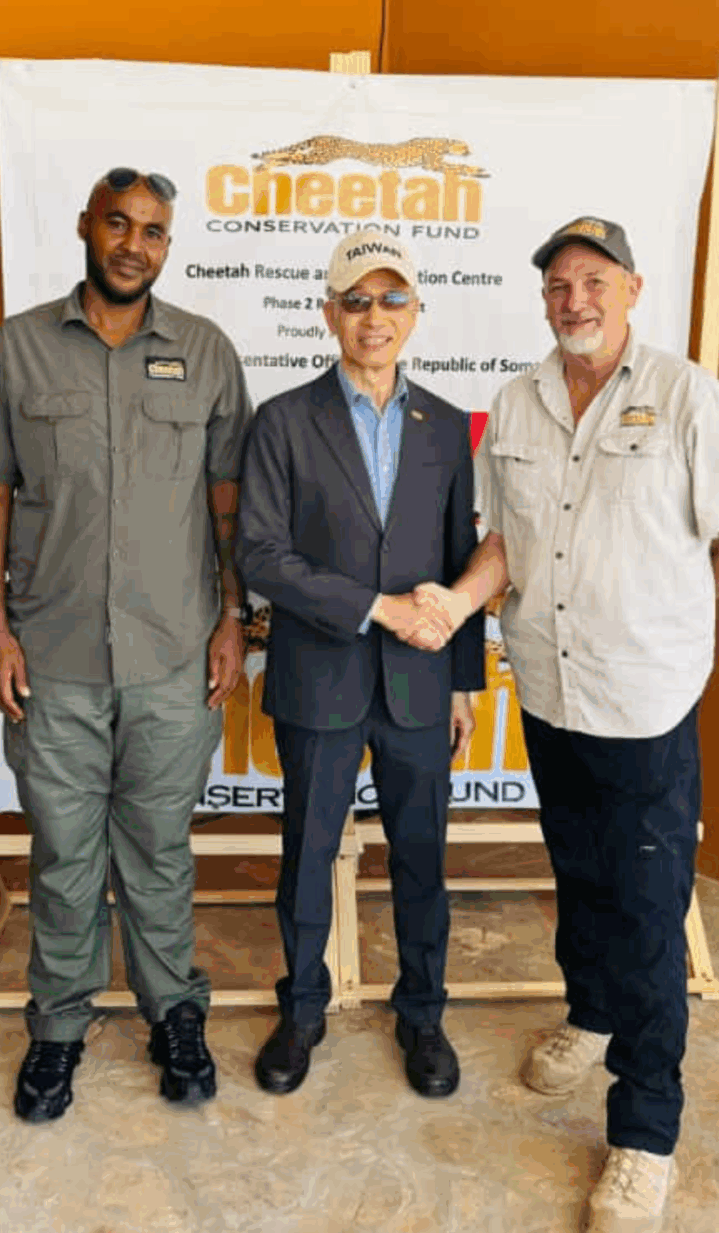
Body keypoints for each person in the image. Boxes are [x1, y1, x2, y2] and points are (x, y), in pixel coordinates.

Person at [436, 214, 719, 1233]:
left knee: (646, 912)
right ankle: (588, 1016)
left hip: (643, 704)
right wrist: (458, 603)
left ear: (633, 289)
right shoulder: (519, 400)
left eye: (594, 281)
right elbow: (505, 541)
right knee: (581, 875)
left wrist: (672, 613)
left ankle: (644, 1133)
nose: (574, 300)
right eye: (558, 286)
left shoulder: (685, 396)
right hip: (550, 690)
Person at [0, 167, 251, 1123]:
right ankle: (58, 1029)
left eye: (153, 231)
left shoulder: (204, 351)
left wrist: (234, 617)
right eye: (119, 224)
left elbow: (228, 501)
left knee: (158, 849)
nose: (134, 245)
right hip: (53, 656)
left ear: (168, 246)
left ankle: (175, 1015)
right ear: (86, 226)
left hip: (173, 655)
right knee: (65, 855)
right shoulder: (20, 348)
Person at [236, 230, 494, 1098]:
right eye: (355, 300)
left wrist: (464, 681)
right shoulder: (282, 421)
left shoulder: (447, 426)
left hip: (422, 686)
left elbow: (461, 559)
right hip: (321, 679)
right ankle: (302, 1010)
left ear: (415, 313)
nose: (373, 317)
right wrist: (377, 608)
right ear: (328, 314)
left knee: (422, 859)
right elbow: (261, 555)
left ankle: (423, 1014)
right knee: (308, 856)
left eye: (391, 299)